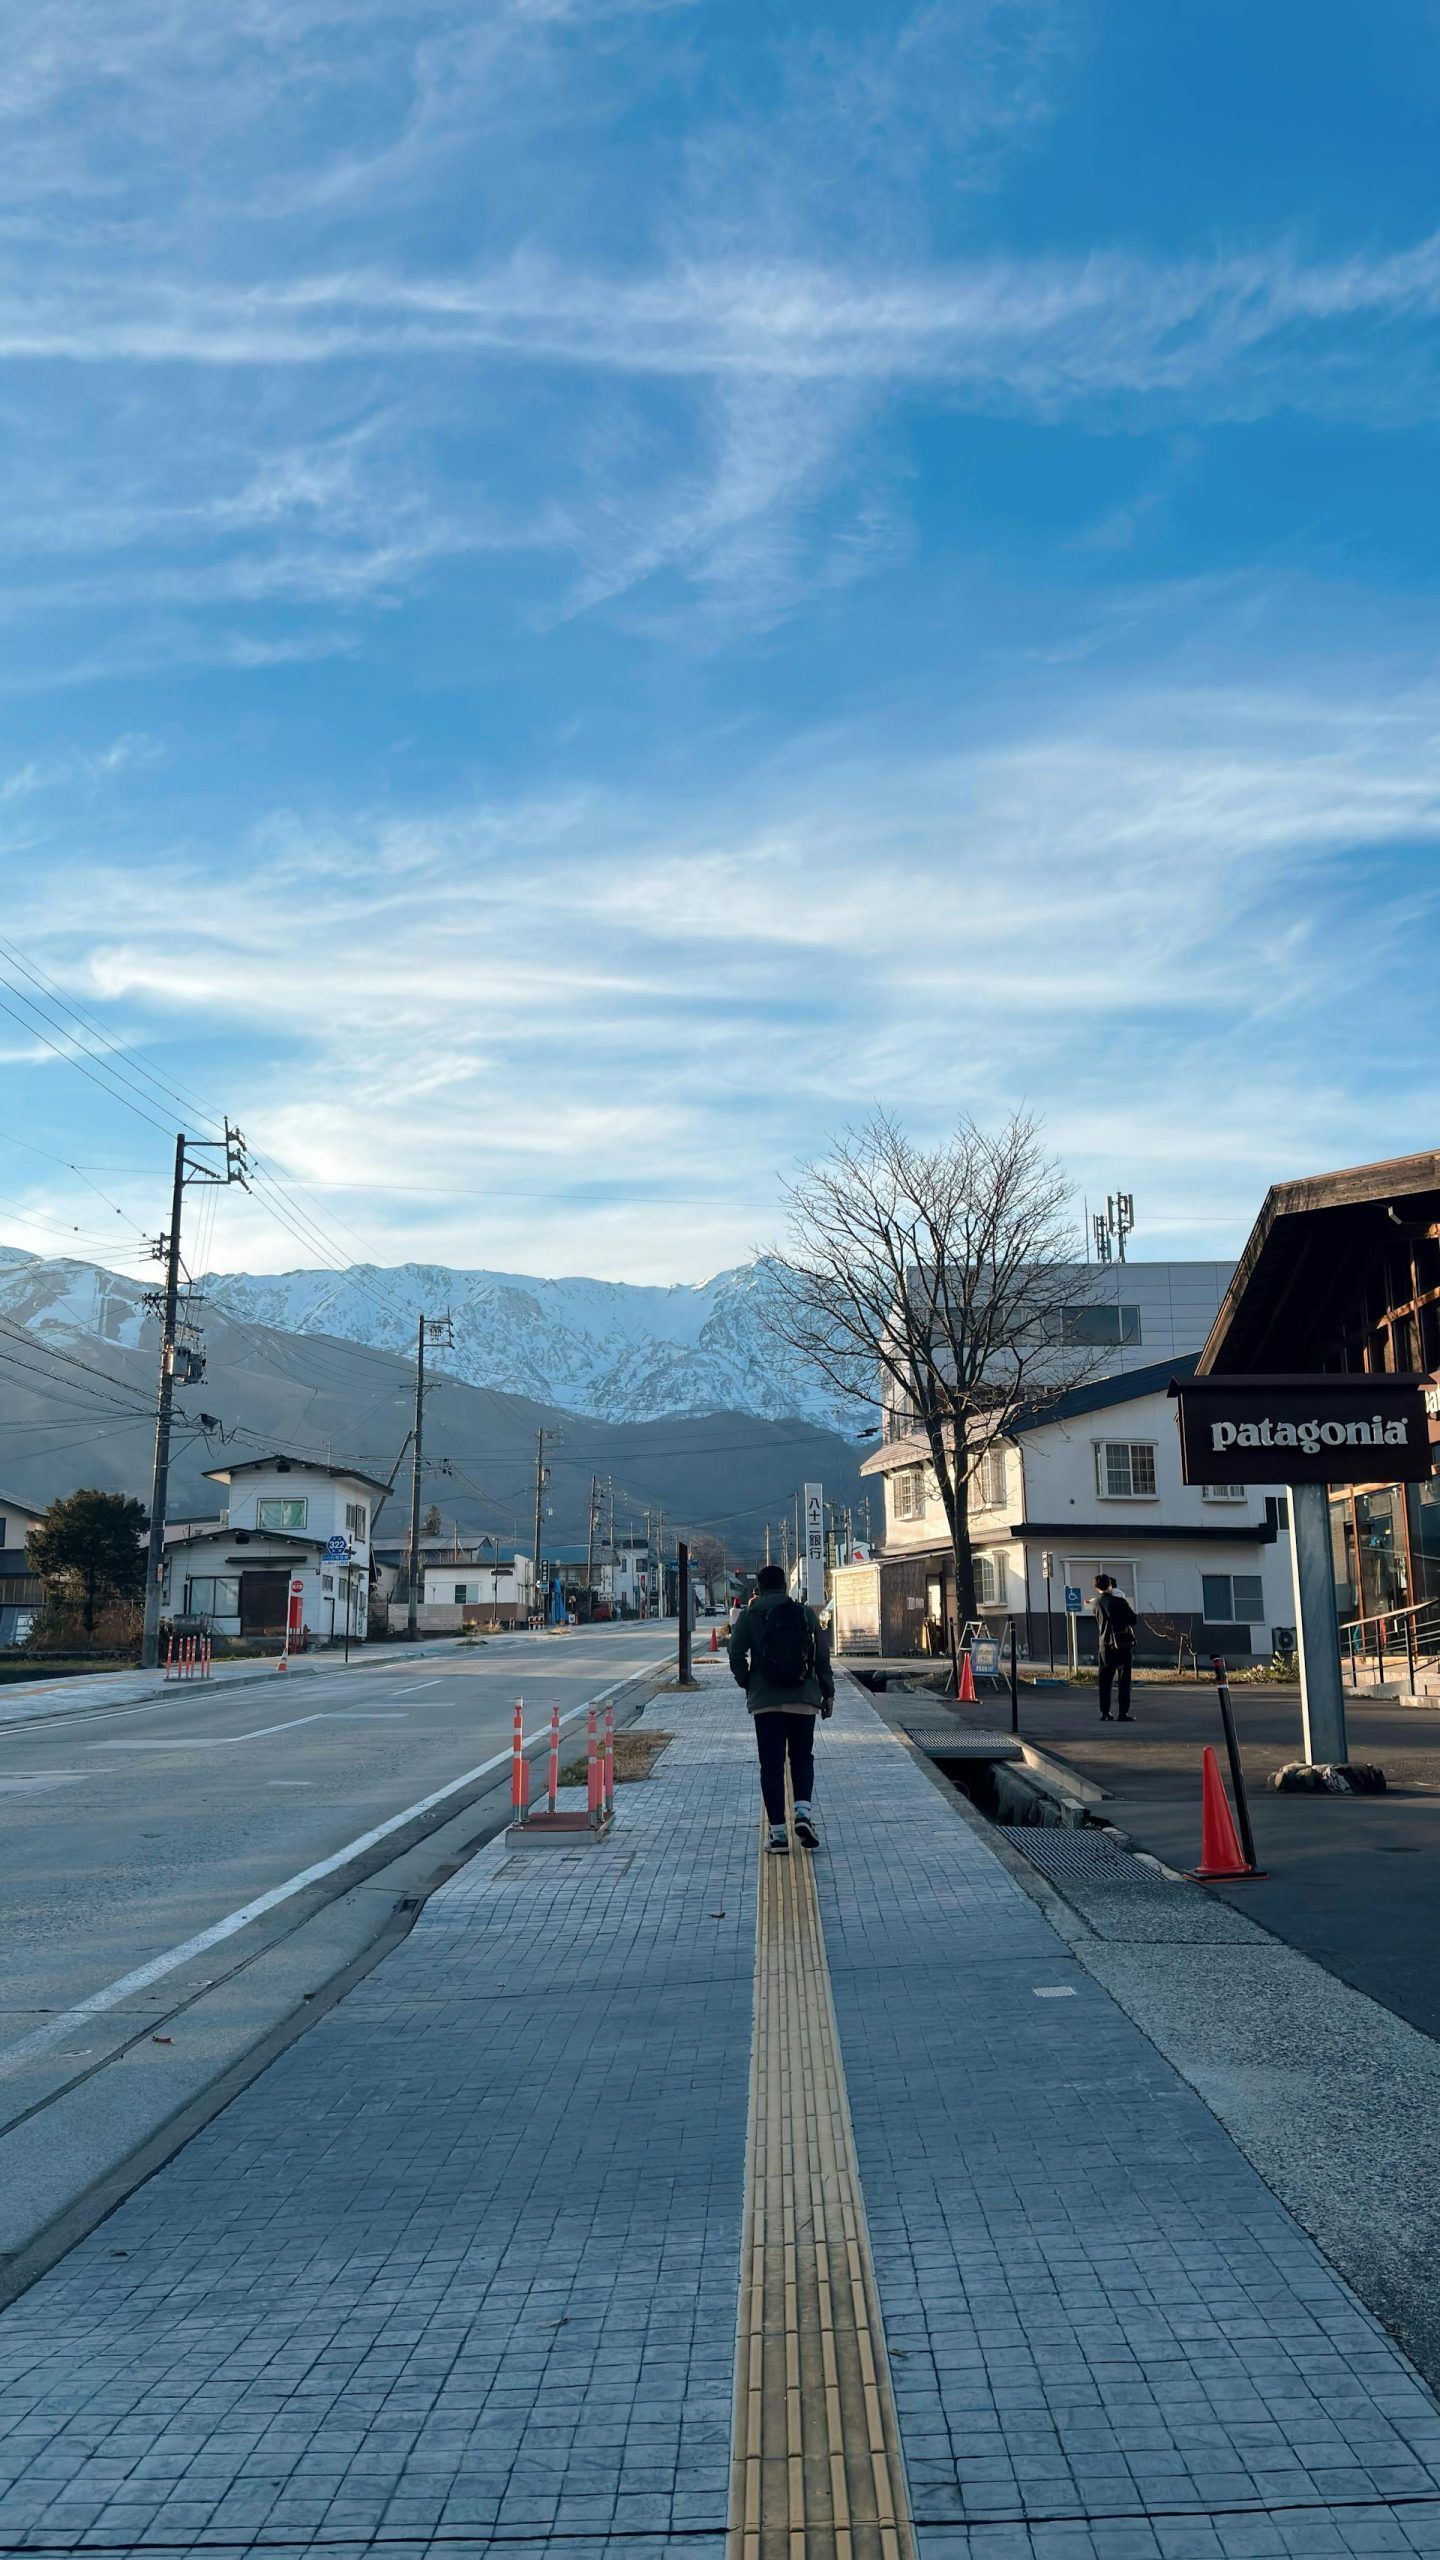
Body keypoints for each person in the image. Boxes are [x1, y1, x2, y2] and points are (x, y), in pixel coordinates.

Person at [729, 1562, 834, 1852]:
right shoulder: (804, 1612)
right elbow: (821, 1655)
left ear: (759, 1588)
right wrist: (827, 1693)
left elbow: (735, 1653)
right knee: (802, 1757)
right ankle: (803, 1814)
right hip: (804, 1698)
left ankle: (778, 1835)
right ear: (785, 1587)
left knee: (771, 1766)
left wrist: (748, 1682)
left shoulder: (751, 1614)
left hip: (766, 1702)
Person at [1093, 1573, 1137, 1721]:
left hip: (1103, 1644)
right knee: (1124, 1679)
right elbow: (1133, 1619)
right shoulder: (1119, 1601)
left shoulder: (1095, 1603)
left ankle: (1104, 1712)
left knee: (1104, 1680)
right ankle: (1123, 1713)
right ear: (1110, 1585)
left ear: (1096, 1587)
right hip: (1121, 1643)